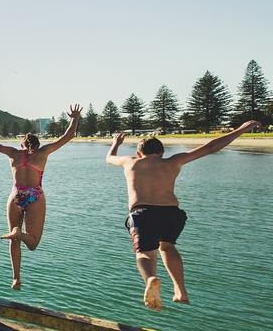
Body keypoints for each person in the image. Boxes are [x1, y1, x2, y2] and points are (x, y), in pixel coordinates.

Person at [106, 120, 261, 311]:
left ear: (139, 153)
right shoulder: (173, 161)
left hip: (143, 213)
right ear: (162, 153)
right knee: (167, 246)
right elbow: (211, 147)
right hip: (172, 214)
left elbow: (109, 157)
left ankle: (151, 278)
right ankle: (180, 291)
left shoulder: (130, 162)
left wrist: (116, 143)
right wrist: (242, 129)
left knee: (145, 253)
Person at [0, 105, 82, 290]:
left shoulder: (13, 153)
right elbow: (67, 136)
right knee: (33, 243)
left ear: (22, 144)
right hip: (35, 195)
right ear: (37, 144)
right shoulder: (43, 153)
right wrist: (74, 118)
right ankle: (19, 233)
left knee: (14, 240)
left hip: (16, 195)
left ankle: (16, 278)